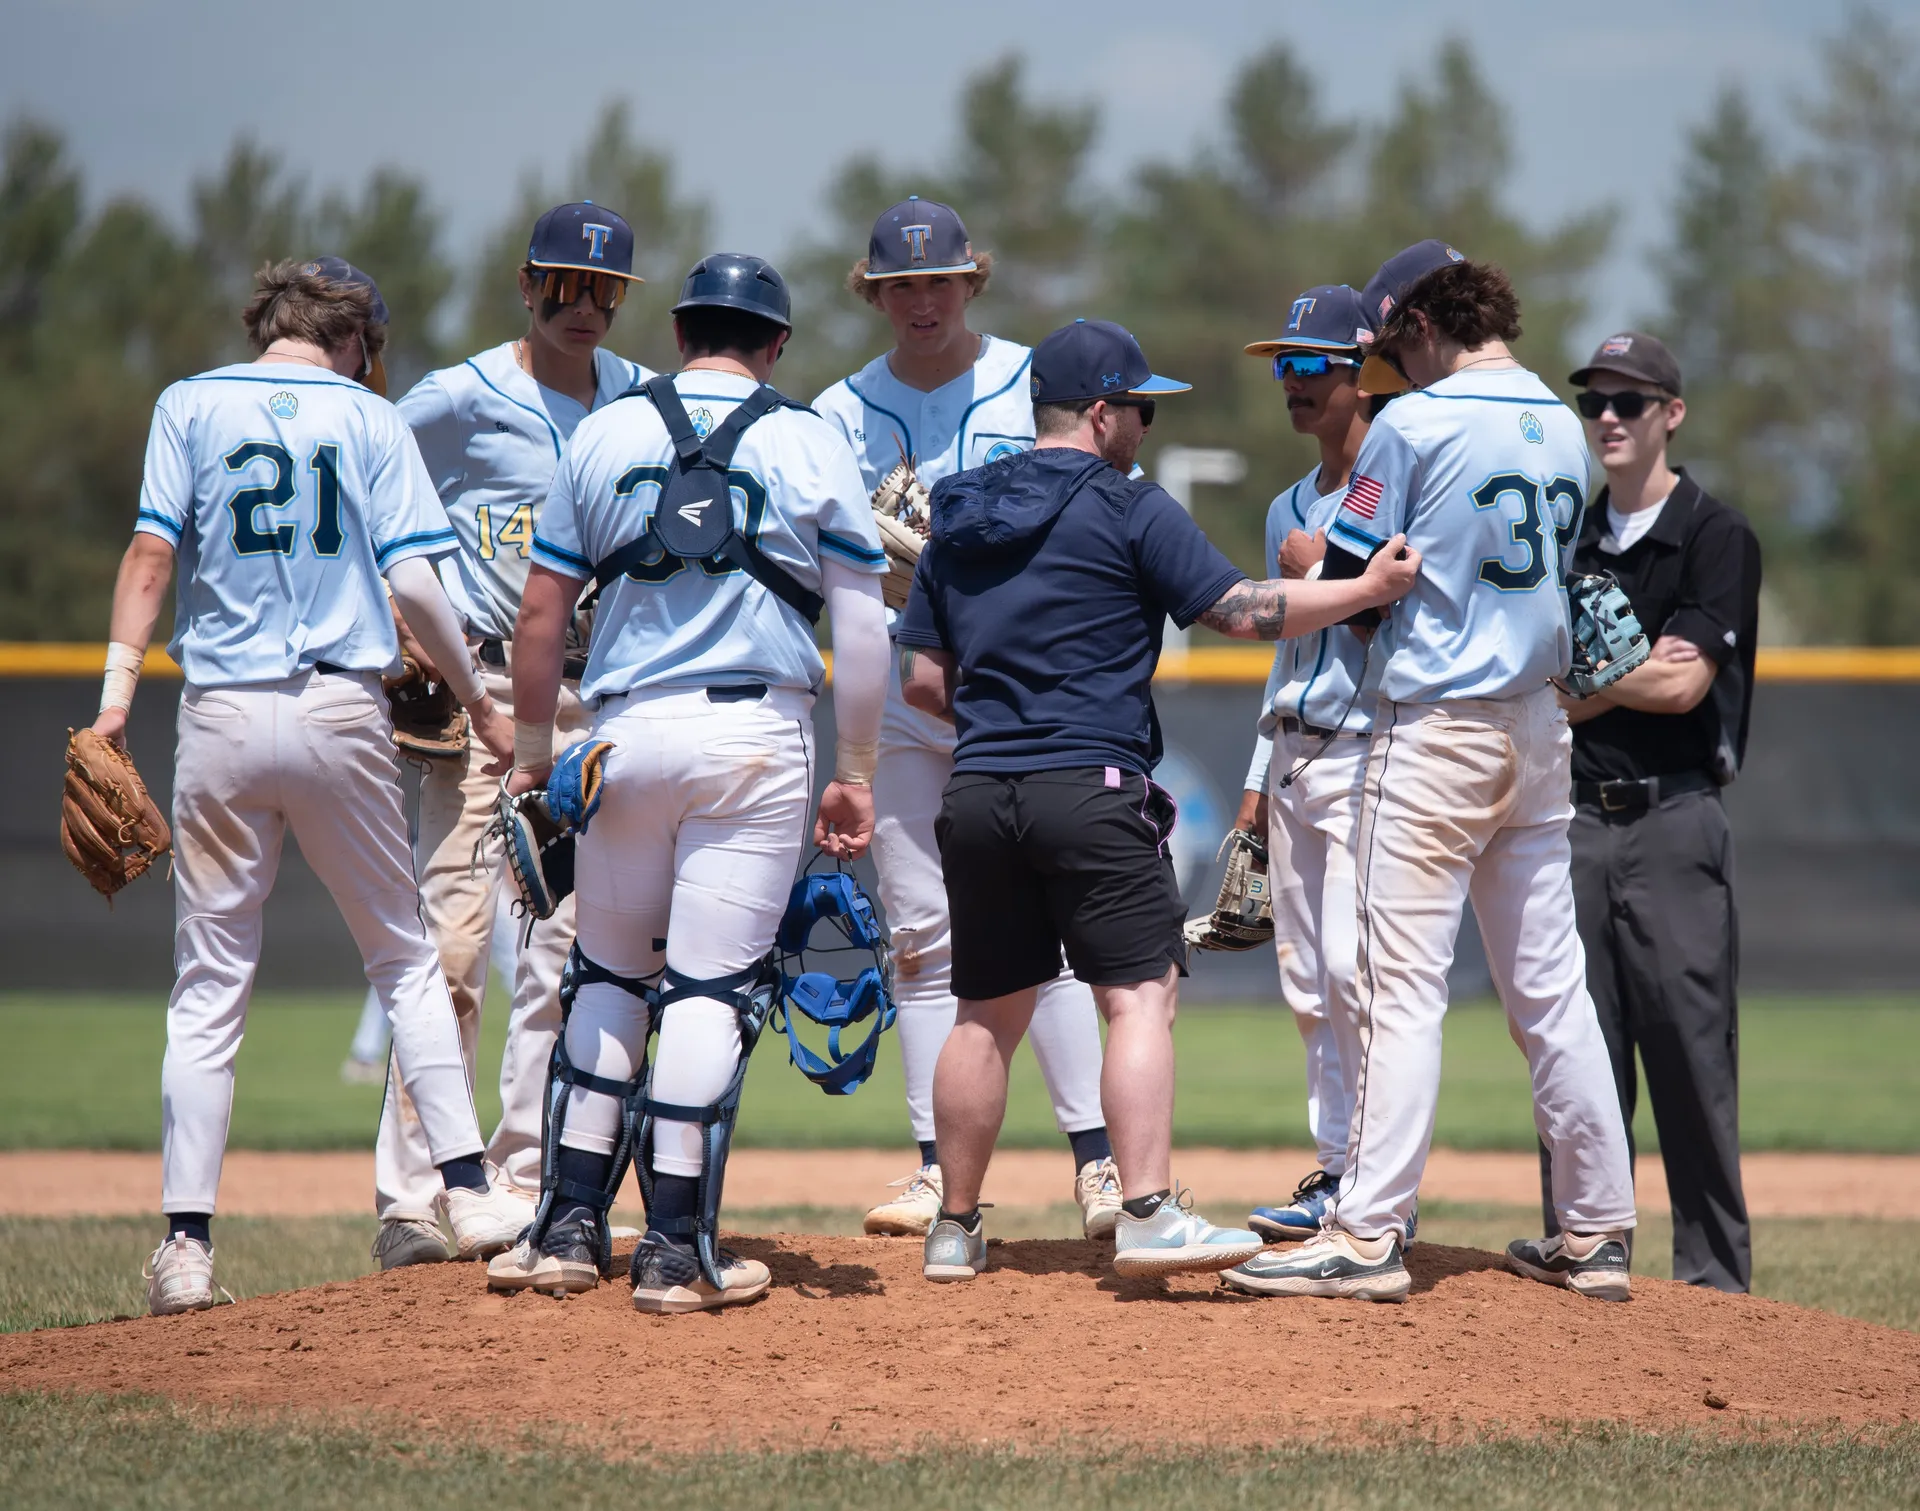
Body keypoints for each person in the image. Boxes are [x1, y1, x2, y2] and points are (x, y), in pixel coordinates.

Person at [894, 318, 1422, 1283]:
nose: (1145, 425)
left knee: (981, 1016)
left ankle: (954, 1229)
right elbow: (1240, 611)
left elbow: (923, 682)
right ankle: (1145, 1213)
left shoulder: (958, 511)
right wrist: (1363, 588)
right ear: (1101, 413)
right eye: (1140, 407)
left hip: (978, 791)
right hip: (1092, 787)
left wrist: (1008, 704)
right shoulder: (1129, 504)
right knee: (1138, 997)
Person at [97, 257, 526, 1315]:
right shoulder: (368, 417)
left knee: (209, 983)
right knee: (405, 959)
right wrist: (480, 701)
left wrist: (113, 703)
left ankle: (186, 1248)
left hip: (221, 714)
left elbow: (150, 556)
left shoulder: (189, 402)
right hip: (339, 709)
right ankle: (470, 1194)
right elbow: (415, 579)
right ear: (354, 339)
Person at [1225, 242, 1638, 1304]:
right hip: (1540, 727)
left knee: (1392, 988)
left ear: (1417, 323)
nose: (1383, 363)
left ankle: (1365, 1232)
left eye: (1385, 339)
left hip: (1437, 729)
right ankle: (1598, 1228)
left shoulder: (1414, 422)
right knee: (1551, 991)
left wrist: (1341, 572)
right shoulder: (1560, 421)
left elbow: (1347, 581)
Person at [484, 253, 891, 1313]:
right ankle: (674, 1252)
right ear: (778, 344)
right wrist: (855, 772)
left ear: (677, 334)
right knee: (709, 987)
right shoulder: (811, 436)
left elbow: (540, 614)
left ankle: (565, 1229)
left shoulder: (603, 430)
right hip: (753, 738)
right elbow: (862, 627)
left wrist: (534, 756)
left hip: (621, 735)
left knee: (608, 976)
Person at [813, 198, 1117, 1240]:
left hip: (1020, 694)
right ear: (873, 294)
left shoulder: (1031, 380)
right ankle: (934, 1166)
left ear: (969, 281)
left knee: (1054, 934)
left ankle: (1099, 1162)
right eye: (898, 284)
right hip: (903, 700)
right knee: (919, 935)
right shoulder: (836, 412)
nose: (920, 300)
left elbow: (1092, 512)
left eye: (937, 280)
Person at [367, 203, 654, 1270]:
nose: (584, 305)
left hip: (598, 701)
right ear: (528, 284)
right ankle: (415, 1195)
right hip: (482, 696)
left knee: (565, 957)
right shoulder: (460, 397)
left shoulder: (642, 401)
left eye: (605, 288)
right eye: (564, 283)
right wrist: (396, 622)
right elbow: (360, 483)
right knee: (451, 946)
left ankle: (528, 1183)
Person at [1536, 331, 1761, 1293]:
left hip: (1674, 818)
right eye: (1594, 401)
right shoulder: (1568, 536)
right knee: (1572, 1054)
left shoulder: (1714, 534)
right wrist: (1627, 668)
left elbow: (1681, 689)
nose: (1608, 418)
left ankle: (1714, 1285)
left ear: (1672, 413)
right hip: (1572, 821)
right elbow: (1555, 690)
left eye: (1629, 400)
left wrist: (1587, 680)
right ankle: (1584, 1248)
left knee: (1690, 1057)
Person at [1224, 286, 1383, 1245]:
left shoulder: (1395, 483)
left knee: (1355, 973)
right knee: (1306, 982)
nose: (1294, 380)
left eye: (1313, 363)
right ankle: (1332, 1171)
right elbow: (1286, 653)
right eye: (1285, 364)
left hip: (1367, 748)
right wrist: (1253, 779)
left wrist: (1322, 569)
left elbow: (1396, 620)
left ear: (1363, 371)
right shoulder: (1288, 503)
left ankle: (1376, 1181)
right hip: (1292, 748)